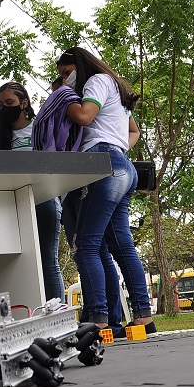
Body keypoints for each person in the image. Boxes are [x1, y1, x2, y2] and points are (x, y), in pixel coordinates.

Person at [62, 47, 154, 334]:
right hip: (122, 166)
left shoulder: (96, 81)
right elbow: (133, 131)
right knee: (122, 245)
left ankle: (98, 320)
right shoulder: (115, 87)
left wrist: (62, 98)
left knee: (86, 245)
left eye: (67, 73)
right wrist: (118, 147)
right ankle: (143, 317)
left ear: (80, 66)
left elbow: (84, 116)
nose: (64, 79)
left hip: (103, 165)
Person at [0, 82, 65, 303]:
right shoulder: (1, 138)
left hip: (44, 200)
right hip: (14, 205)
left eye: (9, 102)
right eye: (0, 104)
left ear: (24, 103)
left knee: (48, 261)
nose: (4, 108)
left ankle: (58, 314)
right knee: (19, 261)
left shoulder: (40, 127)